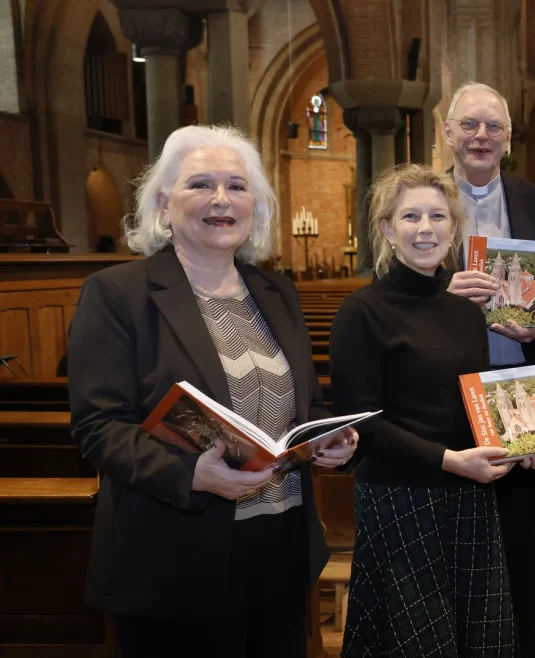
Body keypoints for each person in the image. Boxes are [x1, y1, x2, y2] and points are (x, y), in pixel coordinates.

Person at [67, 124, 359, 658]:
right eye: (200, 184)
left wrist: (327, 441)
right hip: (174, 555)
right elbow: (98, 427)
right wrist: (189, 474)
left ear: (255, 207)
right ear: (163, 204)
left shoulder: (277, 292)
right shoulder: (116, 294)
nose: (221, 199)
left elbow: (305, 405)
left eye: (237, 186)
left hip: (279, 551)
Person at [329, 164, 522, 657]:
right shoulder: (362, 311)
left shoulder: (463, 311)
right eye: (410, 216)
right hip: (400, 498)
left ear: (454, 229)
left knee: (478, 635)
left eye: (438, 216)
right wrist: (450, 460)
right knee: (415, 640)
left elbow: (474, 407)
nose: (425, 228)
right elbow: (361, 419)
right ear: (388, 230)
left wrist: (520, 442)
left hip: (468, 497)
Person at [441, 81, 535, 656]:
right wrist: (443, 294)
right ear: (446, 133)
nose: (480, 136)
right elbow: (390, 294)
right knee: (450, 559)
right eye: (469, 125)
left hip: (520, 393)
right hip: (442, 400)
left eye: (493, 126)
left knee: (520, 555)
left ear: (508, 138)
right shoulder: (422, 201)